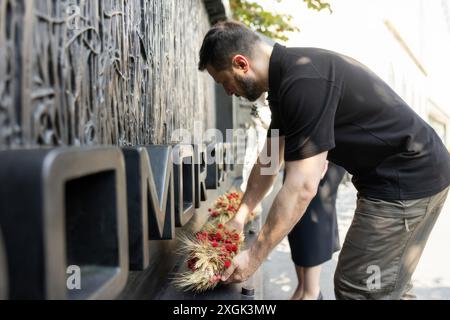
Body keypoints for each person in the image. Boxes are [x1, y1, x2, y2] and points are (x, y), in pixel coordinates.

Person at [197, 20, 450, 299]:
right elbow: (269, 160)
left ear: (241, 64)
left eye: (223, 82)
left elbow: (302, 187)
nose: (228, 92)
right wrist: (240, 216)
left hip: (407, 179)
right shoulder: (284, 83)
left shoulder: (303, 82)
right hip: (407, 174)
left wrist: (253, 258)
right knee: (386, 285)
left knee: (361, 286)